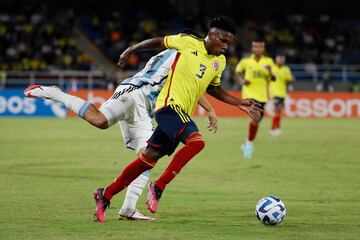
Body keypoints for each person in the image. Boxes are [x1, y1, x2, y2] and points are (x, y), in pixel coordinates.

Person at [92, 16, 263, 222]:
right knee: (197, 142)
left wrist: (239, 102)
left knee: (147, 160)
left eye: (230, 43)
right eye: (224, 41)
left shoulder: (220, 61)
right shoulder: (188, 42)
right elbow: (158, 41)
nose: (226, 46)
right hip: (168, 106)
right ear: (212, 35)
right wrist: (131, 50)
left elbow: (213, 88)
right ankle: (159, 186)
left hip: (181, 112)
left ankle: (105, 195)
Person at [24, 49, 218, 221]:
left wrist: (210, 108)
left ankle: (128, 209)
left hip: (146, 108)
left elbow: (193, 86)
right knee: (100, 121)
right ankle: (57, 93)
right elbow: (190, 81)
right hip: (134, 92)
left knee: (148, 155)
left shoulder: (184, 55)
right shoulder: (185, 52)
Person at [235, 39, 276, 159]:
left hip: (262, 96)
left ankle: (248, 142)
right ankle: (249, 145)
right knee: (256, 116)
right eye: (256, 47)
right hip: (249, 94)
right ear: (252, 48)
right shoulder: (246, 61)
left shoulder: (268, 62)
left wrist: (270, 71)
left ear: (263, 49)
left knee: (256, 121)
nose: (258, 49)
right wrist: (242, 80)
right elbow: (237, 72)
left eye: (260, 47)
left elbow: (273, 79)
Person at [269, 54, 294, 136]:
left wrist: (291, 80)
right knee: (277, 110)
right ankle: (274, 129)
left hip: (282, 93)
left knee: (279, 112)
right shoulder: (272, 68)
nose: (280, 61)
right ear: (276, 60)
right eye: (279, 59)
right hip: (274, 93)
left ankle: (276, 128)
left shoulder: (286, 69)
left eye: (281, 60)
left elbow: (290, 80)